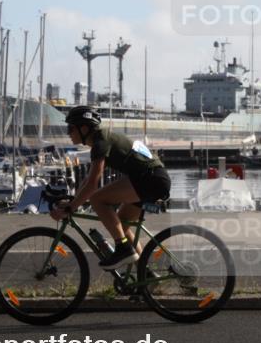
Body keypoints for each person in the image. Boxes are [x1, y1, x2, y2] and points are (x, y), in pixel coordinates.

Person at [50, 106, 171, 270]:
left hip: (150, 179)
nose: (68, 133)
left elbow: (93, 184)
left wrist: (71, 208)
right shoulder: (102, 139)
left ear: (84, 128)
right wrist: (73, 200)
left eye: (70, 128)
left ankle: (123, 249)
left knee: (97, 199)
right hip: (151, 178)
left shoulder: (101, 143)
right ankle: (145, 275)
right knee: (121, 224)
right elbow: (87, 180)